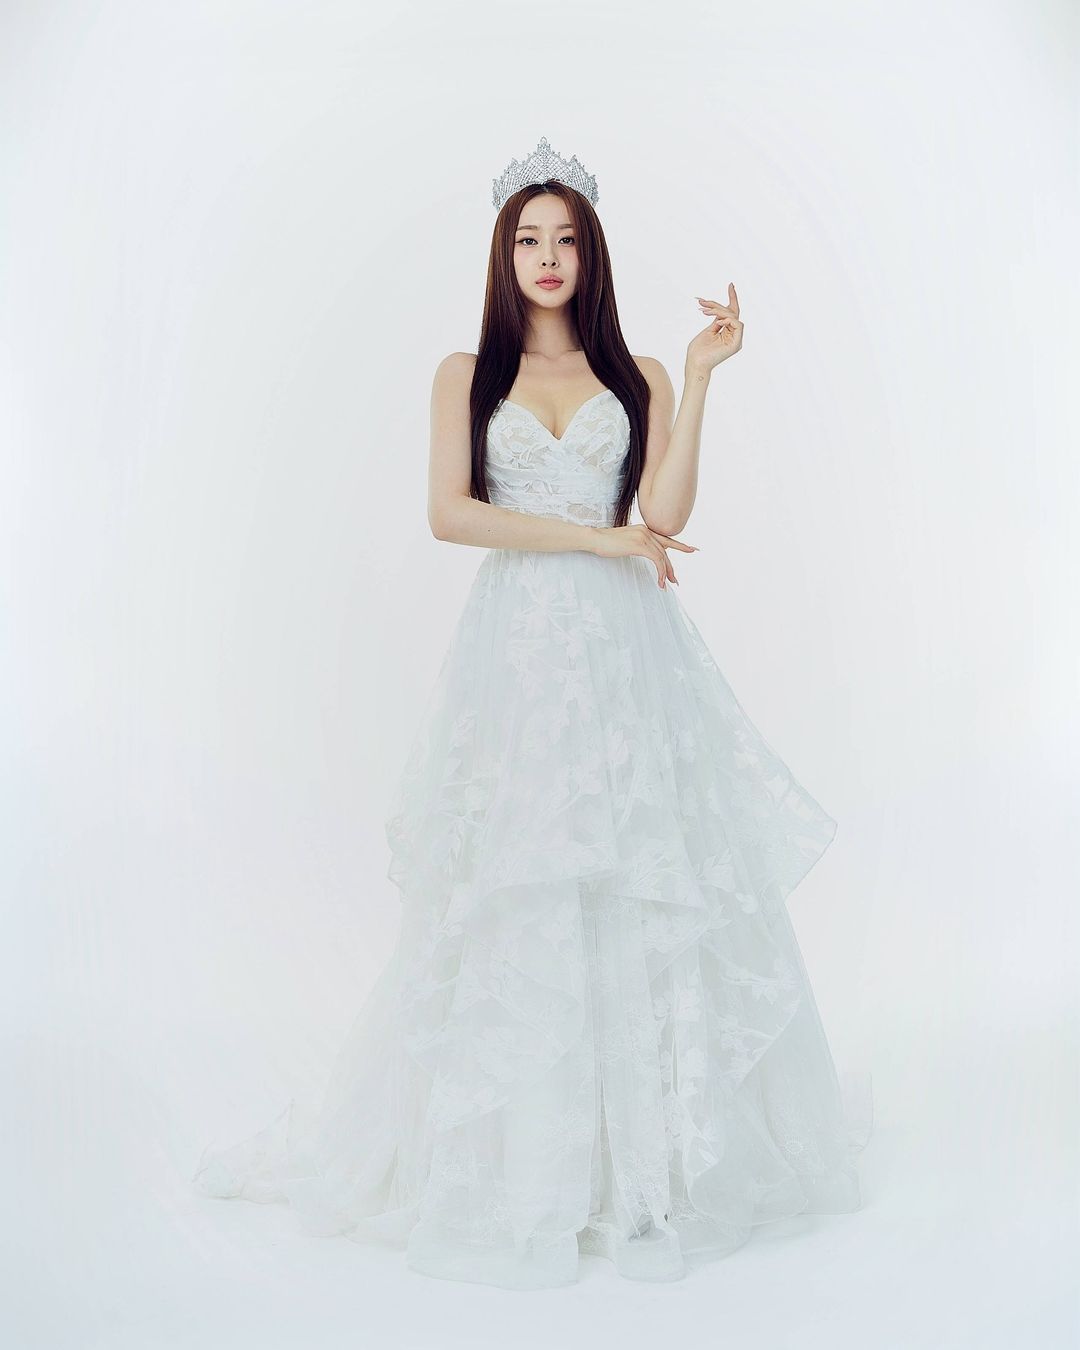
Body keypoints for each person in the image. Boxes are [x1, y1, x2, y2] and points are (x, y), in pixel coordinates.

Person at [191, 136, 872, 1290]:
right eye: (528, 239)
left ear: (590, 255)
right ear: (503, 257)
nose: (547, 256)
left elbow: (663, 512)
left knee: (639, 874)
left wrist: (702, 374)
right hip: (517, 652)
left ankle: (642, 1168)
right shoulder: (465, 373)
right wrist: (594, 541)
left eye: (565, 239)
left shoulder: (637, 372)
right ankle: (530, 1165)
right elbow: (450, 514)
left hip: (627, 656)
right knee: (523, 880)